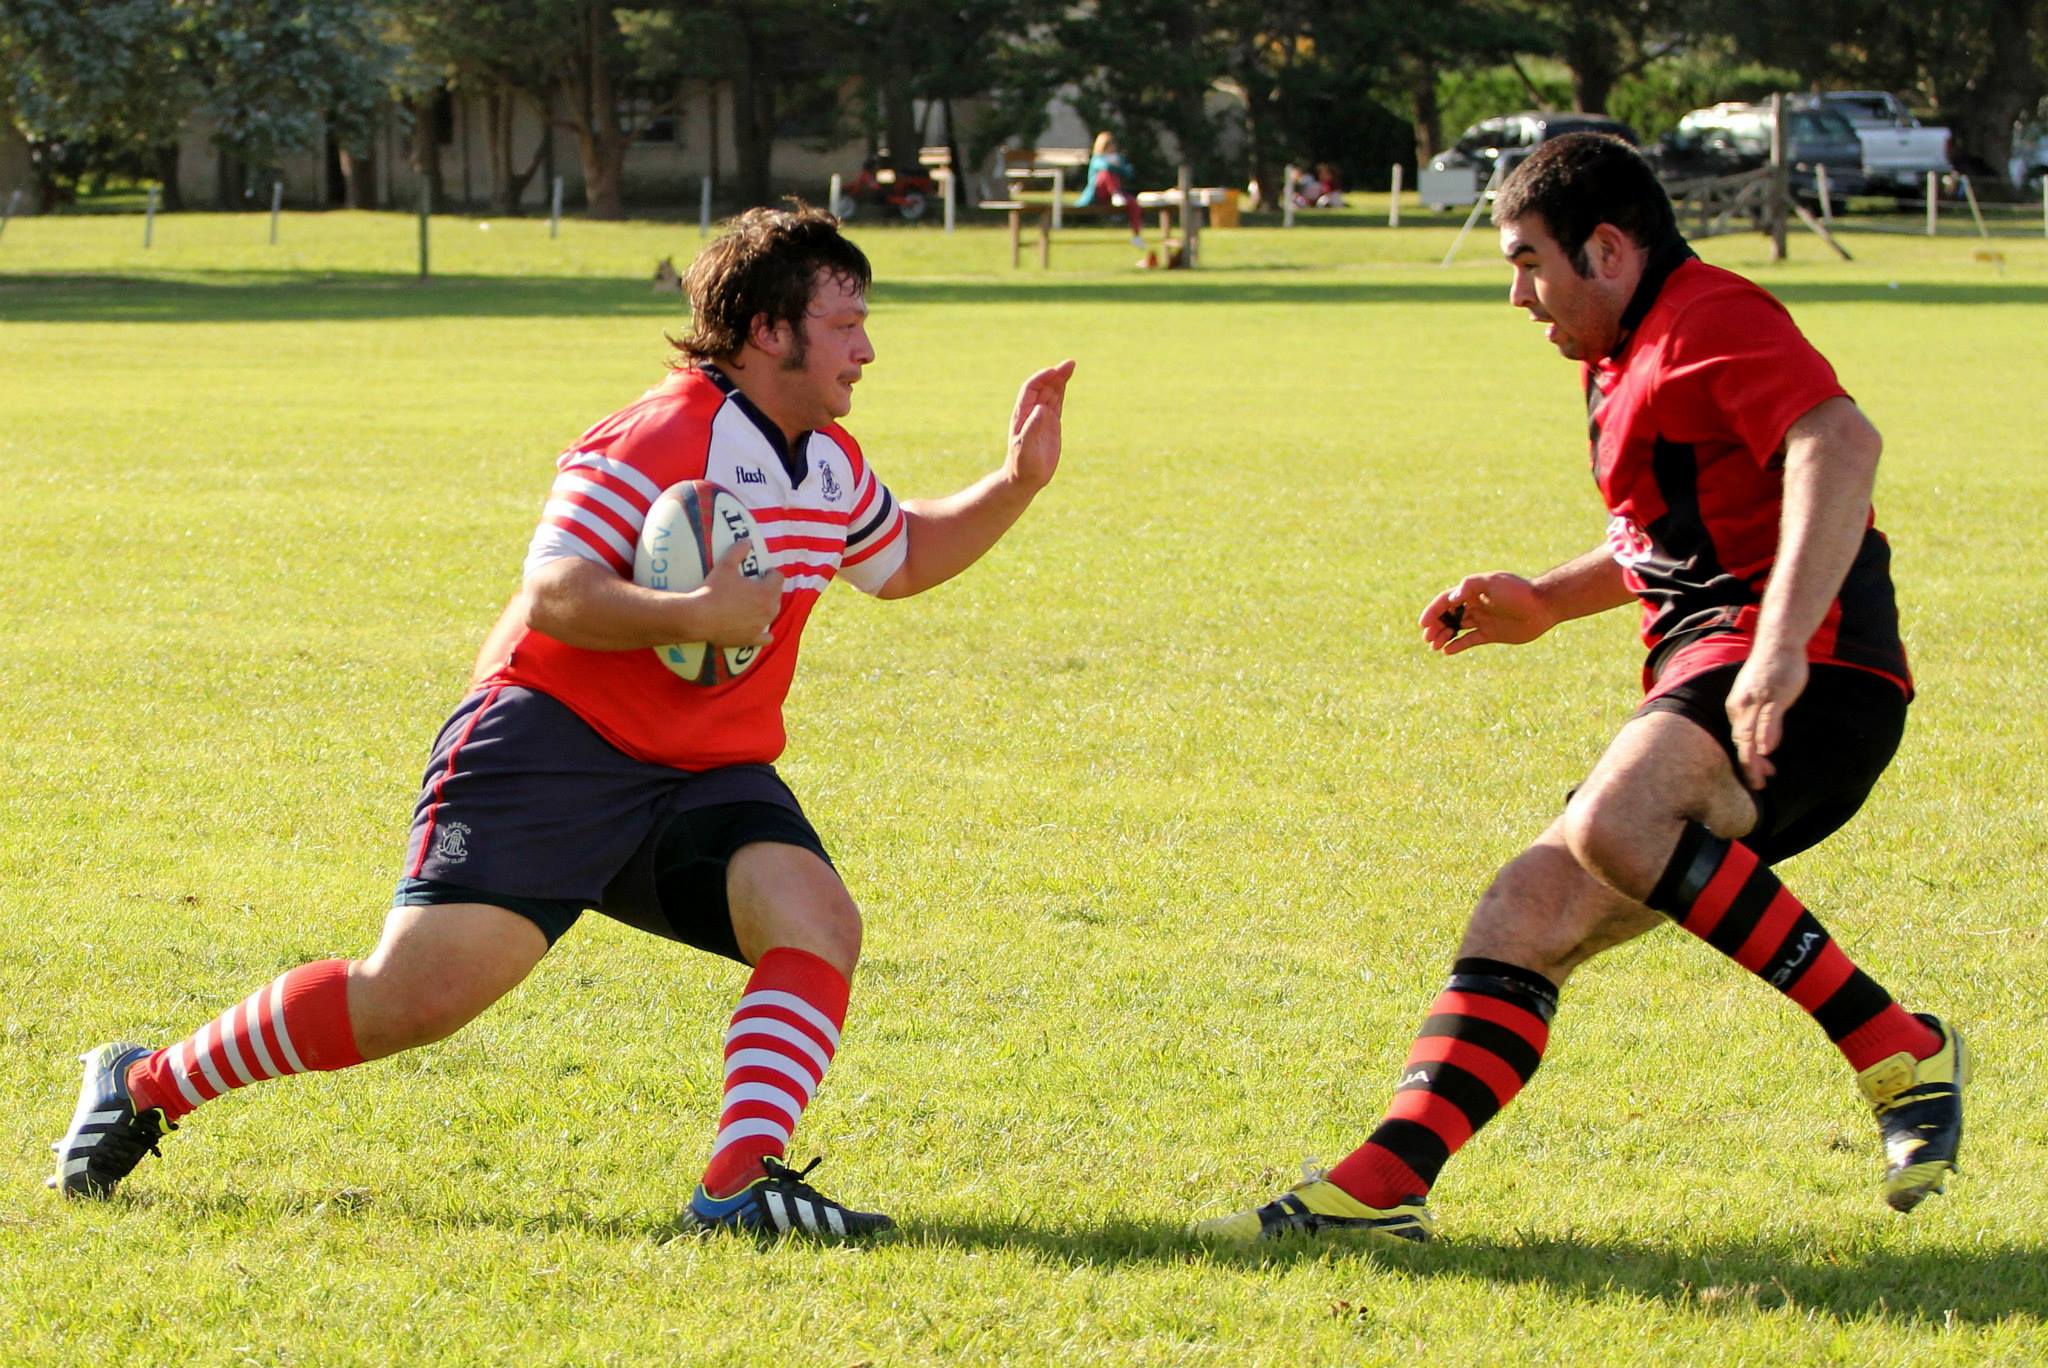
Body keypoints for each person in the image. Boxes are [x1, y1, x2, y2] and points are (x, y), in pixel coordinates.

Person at [52, 204, 1077, 1240]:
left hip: (702, 767)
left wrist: (1015, 483)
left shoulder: (825, 460)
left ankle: (735, 1186)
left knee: (814, 921)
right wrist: (692, 615)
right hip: (552, 744)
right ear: (771, 331)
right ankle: (146, 1083)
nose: (865, 347)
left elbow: (898, 558)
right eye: (844, 321)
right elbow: (554, 591)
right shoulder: (659, 433)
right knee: (412, 999)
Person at [1197, 133, 1964, 1245]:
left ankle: (1893, 1046)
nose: (1517, 295)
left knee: (1618, 819)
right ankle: (1379, 1191)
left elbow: (1837, 442)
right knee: (1525, 909)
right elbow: (1670, 535)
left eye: (1527, 262)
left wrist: (1782, 647)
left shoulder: (1709, 316)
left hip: (1808, 673)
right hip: (1728, 662)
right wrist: (1548, 602)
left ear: (1605, 250)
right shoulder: (1621, 356)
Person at [1074, 130, 1146, 247]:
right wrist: (1114, 165)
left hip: (1116, 194)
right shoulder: (1097, 159)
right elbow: (1104, 167)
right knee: (1105, 174)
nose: (1112, 148)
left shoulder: (1118, 159)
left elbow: (1128, 173)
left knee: (1133, 203)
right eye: (1108, 146)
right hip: (1098, 194)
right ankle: (1115, 194)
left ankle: (1136, 236)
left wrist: (1122, 166)